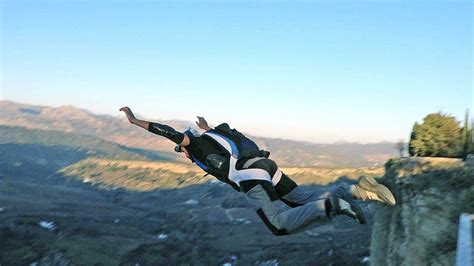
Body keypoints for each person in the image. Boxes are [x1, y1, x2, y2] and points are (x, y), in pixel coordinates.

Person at [119, 107, 396, 236]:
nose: (184, 154)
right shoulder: (215, 135)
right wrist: (207, 125)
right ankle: (355, 191)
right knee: (301, 198)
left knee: (279, 224)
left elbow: (169, 133)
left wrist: (134, 121)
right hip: (267, 167)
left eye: (182, 150)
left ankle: (332, 204)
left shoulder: (197, 145)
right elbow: (222, 135)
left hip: (250, 175)